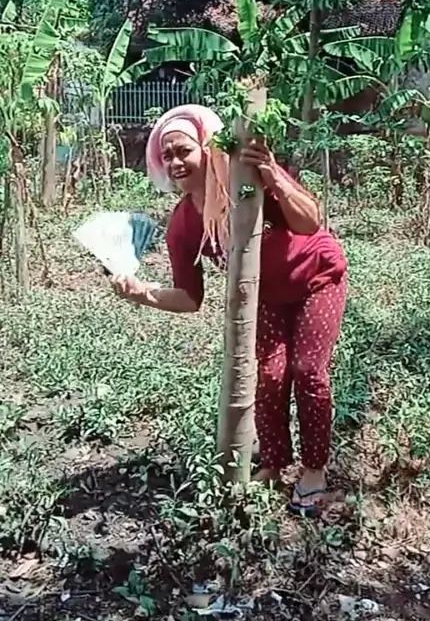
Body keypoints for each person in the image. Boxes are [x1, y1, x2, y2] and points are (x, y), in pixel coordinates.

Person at [111, 104, 347, 515]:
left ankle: (314, 470)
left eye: (183, 151)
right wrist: (142, 293)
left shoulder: (248, 180)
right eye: (167, 155)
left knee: (307, 370)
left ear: (206, 148)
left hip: (317, 277)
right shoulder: (184, 224)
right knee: (270, 376)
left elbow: (310, 223)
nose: (175, 162)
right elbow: (190, 298)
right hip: (265, 296)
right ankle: (274, 463)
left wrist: (274, 177)